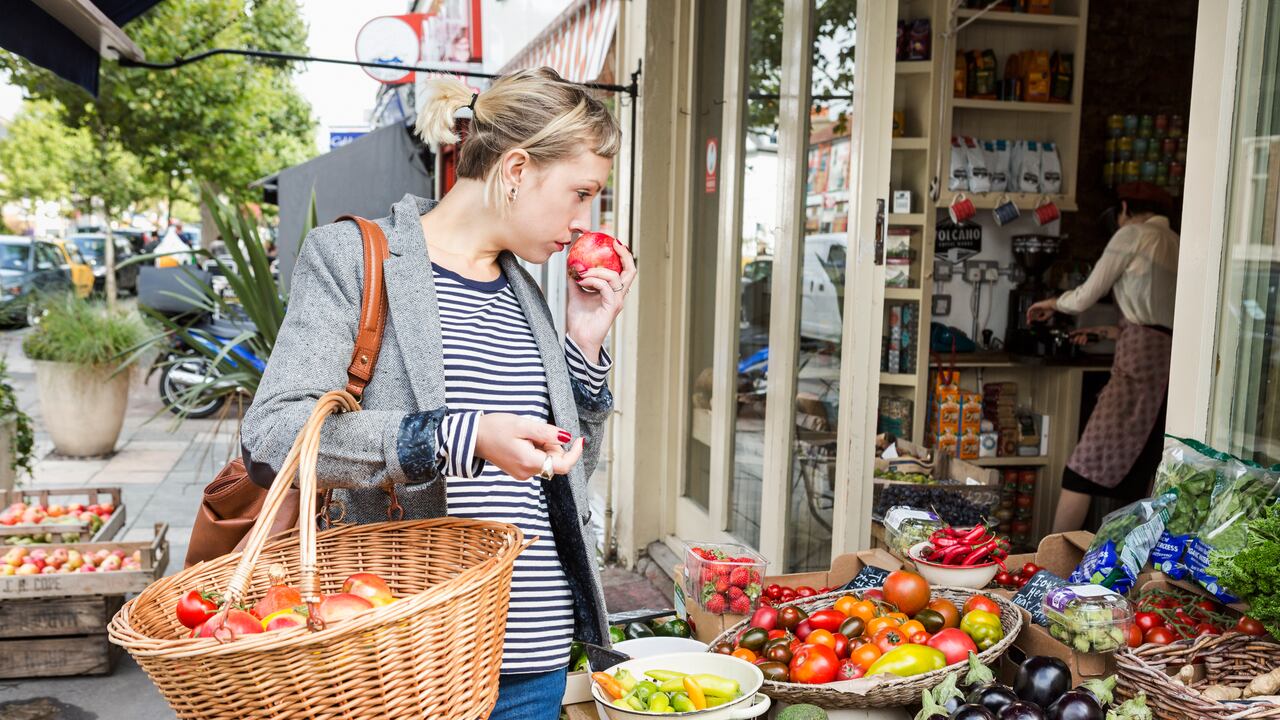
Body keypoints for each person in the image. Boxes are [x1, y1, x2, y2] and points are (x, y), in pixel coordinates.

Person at [238, 67, 634, 719]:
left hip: (532, 660)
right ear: (515, 171)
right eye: (580, 193)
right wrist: (459, 437)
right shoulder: (353, 258)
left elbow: (566, 474)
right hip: (405, 660)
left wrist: (584, 346)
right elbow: (275, 436)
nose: (585, 220)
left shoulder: (527, 295)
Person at [1026, 182, 1180, 532]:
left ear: (1124, 208)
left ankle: (1054, 560)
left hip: (1138, 364)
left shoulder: (1132, 235)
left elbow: (1085, 297)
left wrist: (1052, 303)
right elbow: (1157, 319)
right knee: (1143, 468)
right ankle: (1117, 563)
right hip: (1165, 363)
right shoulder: (1176, 241)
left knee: (1083, 467)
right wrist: (1108, 332)